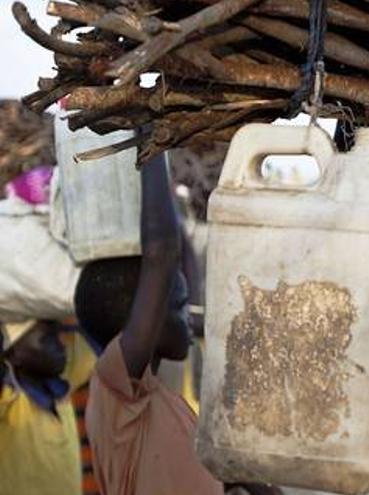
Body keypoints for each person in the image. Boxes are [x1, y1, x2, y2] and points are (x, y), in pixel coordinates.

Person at [74, 150, 224, 495]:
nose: (189, 317)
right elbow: (161, 254)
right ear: (145, 314)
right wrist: (151, 147)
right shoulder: (116, 391)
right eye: (180, 305)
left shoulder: (162, 401)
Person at [0, 319, 81, 495]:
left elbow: (93, 325)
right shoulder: (7, 401)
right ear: (13, 353)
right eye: (46, 339)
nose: (61, 345)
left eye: (58, 335)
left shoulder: (63, 388)